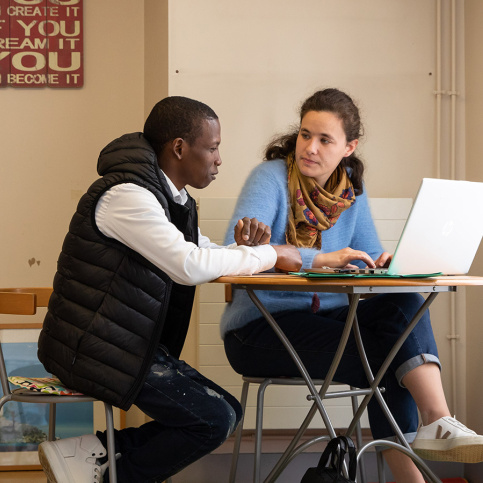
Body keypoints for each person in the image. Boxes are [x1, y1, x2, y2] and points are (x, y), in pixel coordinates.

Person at [221, 88, 483, 482]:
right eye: (306, 134)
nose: (310, 147)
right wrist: (319, 259)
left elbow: (370, 254)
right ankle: (414, 470)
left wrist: (384, 264)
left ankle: (438, 420)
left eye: (325, 139)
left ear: (349, 146)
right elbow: (238, 252)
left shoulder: (350, 193)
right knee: (390, 357)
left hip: (326, 324)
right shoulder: (271, 178)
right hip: (258, 330)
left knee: (404, 303)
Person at [36, 96, 301, 483]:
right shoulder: (127, 196)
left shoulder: (170, 198)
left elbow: (196, 250)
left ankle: (92, 452)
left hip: (125, 345)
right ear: (179, 147)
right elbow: (187, 264)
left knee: (226, 412)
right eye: (212, 148)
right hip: (91, 349)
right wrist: (269, 253)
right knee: (213, 420)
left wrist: (244, 252)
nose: (219, 159)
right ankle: (109, 472)